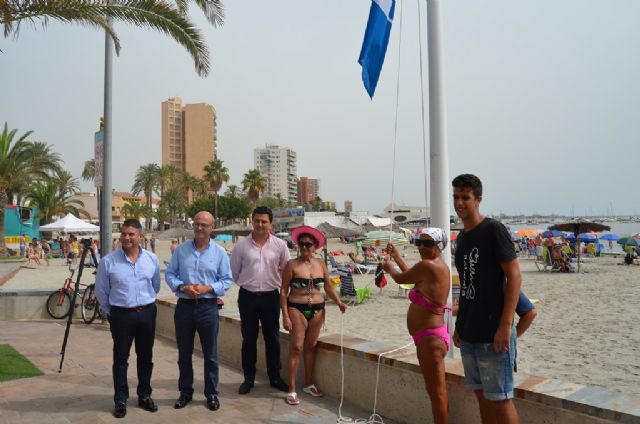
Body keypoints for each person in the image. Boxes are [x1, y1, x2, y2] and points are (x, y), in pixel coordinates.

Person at [451, 174, 521, 424]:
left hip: (493, 334)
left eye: (465, 197)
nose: (459, 203)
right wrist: (459, 326)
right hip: (469, 333)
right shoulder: (462, 238)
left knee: (500, 400)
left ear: (478, 199)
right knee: (482, 398)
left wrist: (505, 326)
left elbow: (514, 277)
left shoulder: (493, 230)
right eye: (456, 197)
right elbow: (467, 285)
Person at [381, 228, 450, 424]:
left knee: (436, 393)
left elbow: (402, 279)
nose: (421, 247)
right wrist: (396, 257)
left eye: (427, 244)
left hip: (430, 338)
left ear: (438, 246)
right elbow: (412, 278)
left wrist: (389, 267)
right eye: (418, 242)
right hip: (431, 336)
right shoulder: (433, 266)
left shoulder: (428, 266)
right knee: (437, 391)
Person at [165, 211, 232, 412]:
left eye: (204, 225)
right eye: (197, 224)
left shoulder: (219, 253)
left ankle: (211, 394)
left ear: (212, 228)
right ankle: (185, 392)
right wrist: (183, 287)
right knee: (184, 354)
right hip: (184, 307)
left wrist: (208, 288)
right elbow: (170, 274)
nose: (200, 228)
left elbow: (226, 280)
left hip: (208, 308)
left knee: (210, 355)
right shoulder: (181, 250)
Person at [94, 219, 161, 419]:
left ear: (140, 237)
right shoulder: (109, 261)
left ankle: (144, 395)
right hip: (121, 315)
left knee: (146, 357)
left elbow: (155, 285)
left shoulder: (152, 259)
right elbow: (101, 291)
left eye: (131, 234)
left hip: (147, 313)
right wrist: (111, 312)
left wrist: (145, 303)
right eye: (124, 234)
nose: (127, 238)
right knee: (121, 359)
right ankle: (120, 399)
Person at [280, 226, 347, 406]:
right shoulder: (292, 265)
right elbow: (283, 290)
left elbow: (328, 287)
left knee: (311, 347)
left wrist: (339, 302)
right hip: (296, 308)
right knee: (296, 347)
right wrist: (285, 315)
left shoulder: (320, 264)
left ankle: (308, 383)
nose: (304, 248)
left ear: (315, 246)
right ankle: (292, 388)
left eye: (308, 245)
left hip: (318, 309)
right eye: (301, 244)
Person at [230, 206, 290, 395]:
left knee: (272, 338)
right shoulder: (241, 246)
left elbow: (286, 272)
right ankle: (248, 378)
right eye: (257, 220)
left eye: (264, 221)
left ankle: (274, 377)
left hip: (271, 297)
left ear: (270, 224)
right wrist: (250, 284)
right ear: (252, 221)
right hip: (248, 297)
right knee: (248, 339)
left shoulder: (280, 245)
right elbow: (234, 272)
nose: (260, 224)